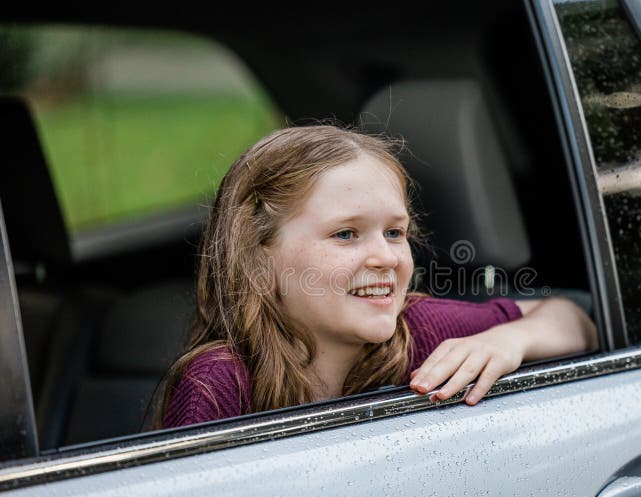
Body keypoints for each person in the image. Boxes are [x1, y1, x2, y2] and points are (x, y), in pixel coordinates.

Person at [159, 125, 598, 428]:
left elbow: (572, 318)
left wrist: (507, 341)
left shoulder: (422, 333)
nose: (385, 256)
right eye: (346, 234)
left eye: (394, 232)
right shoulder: (218, 384)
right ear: (258, 258)